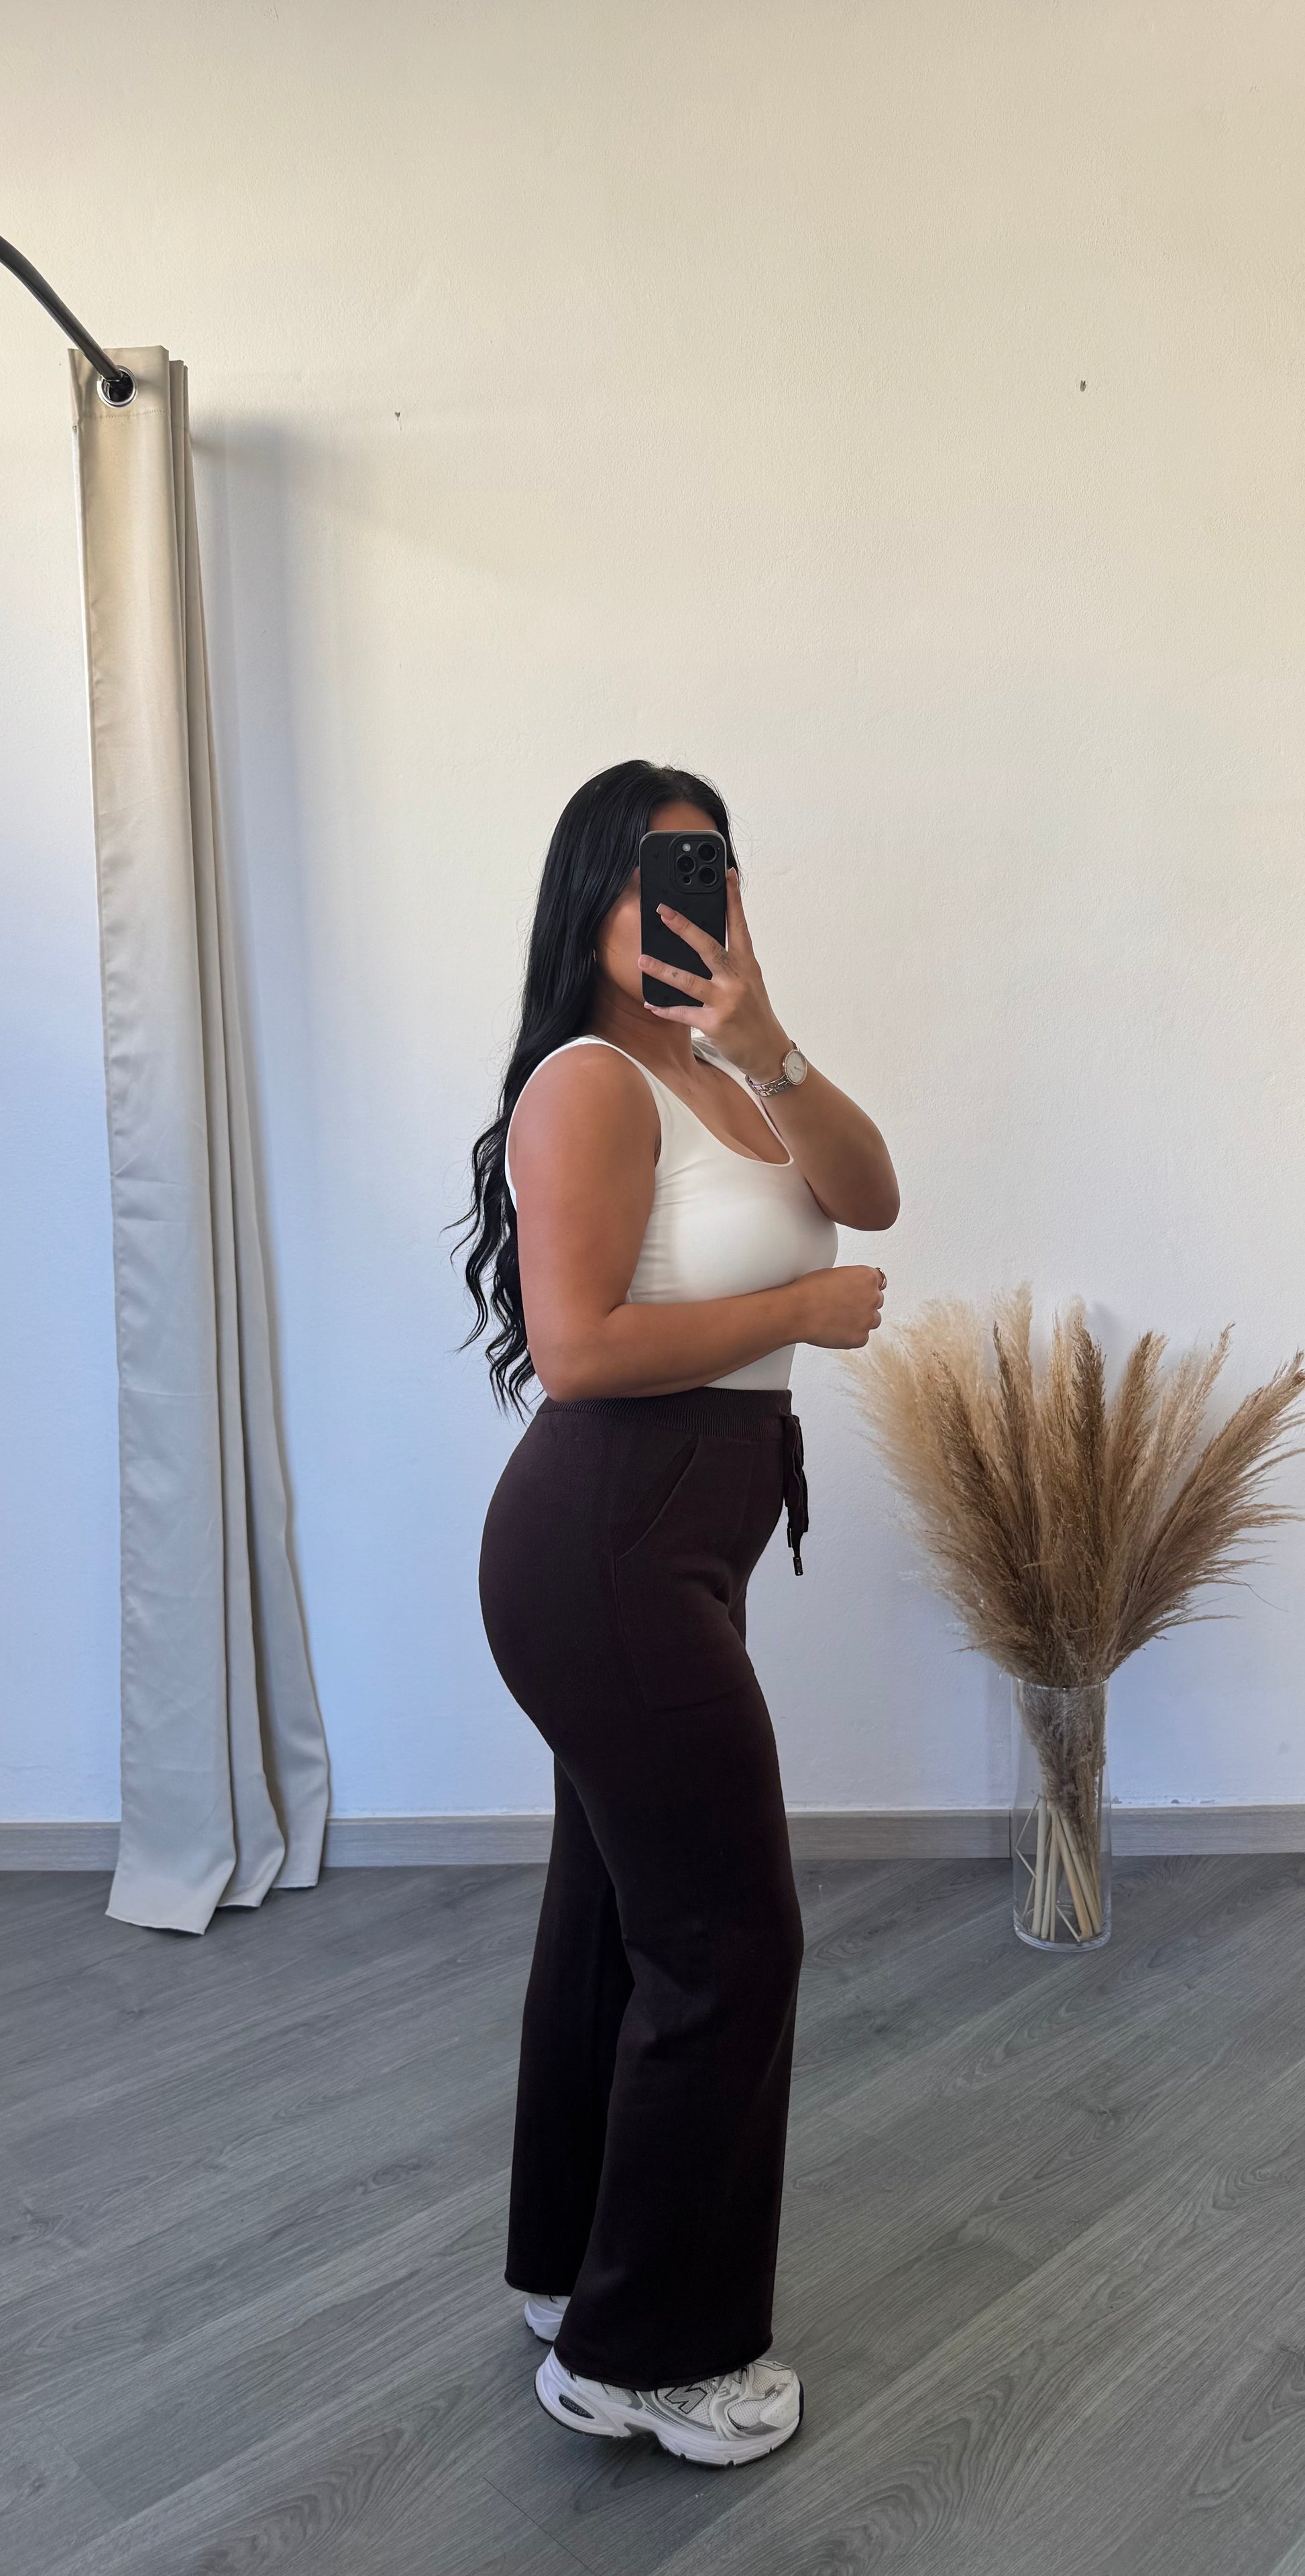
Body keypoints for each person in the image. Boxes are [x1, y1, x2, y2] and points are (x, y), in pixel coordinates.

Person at [460, 759, 897, 2467]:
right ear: (592, 897)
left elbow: (869, 1189)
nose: (688, 895)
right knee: (728, 1937)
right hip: (606, 1542)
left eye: (710, 864)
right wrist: (799, 1308)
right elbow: (576, 1350)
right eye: (656, 869)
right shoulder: (585, 1083)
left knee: (617, 1912)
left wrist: (765, 1037)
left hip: (672, 1544)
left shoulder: (723, 1074)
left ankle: (575, 2270)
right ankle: (648, 2359)